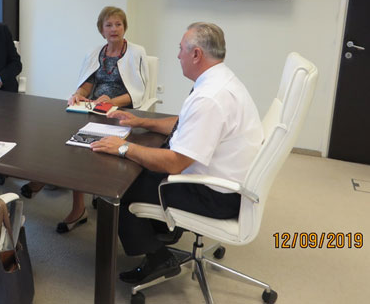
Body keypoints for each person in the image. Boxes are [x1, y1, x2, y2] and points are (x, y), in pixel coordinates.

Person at [90, 22, 263, 285]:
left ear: (196, 54)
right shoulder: (221, 79)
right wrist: (142, 122)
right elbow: (186, 123)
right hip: (230, 184)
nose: (178, 55)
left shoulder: (209, 98)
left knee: (118, 187)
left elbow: (175, 163)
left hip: (215, 196)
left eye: (181, 49)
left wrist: (123, 147)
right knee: (142, 165)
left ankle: (158, 258)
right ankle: (162, 230)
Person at [21, 6, 150, 234]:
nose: (114, 29)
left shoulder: (136, 52)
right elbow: (88, 83)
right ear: (101, 30)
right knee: (62, 135)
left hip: (120, 113)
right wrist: (79, 94)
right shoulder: (96, 52)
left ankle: (72, 201)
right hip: (94, 109)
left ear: (124, 27)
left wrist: (110, 101)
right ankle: (51, 182)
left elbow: (137, 93)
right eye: (109, 25)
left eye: (118, 24)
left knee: (81, 146)